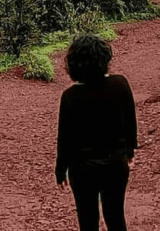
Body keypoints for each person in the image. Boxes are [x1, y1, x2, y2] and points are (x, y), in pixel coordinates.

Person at [55, 34, 137, 231]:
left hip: (82, 168)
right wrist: (130, 150)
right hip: (115, 164)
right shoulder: (120, 84)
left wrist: (60, 169)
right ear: (104, 59)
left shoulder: (70, 96)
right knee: (116, 216)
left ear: (73, 64)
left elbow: (65, 137)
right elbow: (130, 121)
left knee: (87, 220)